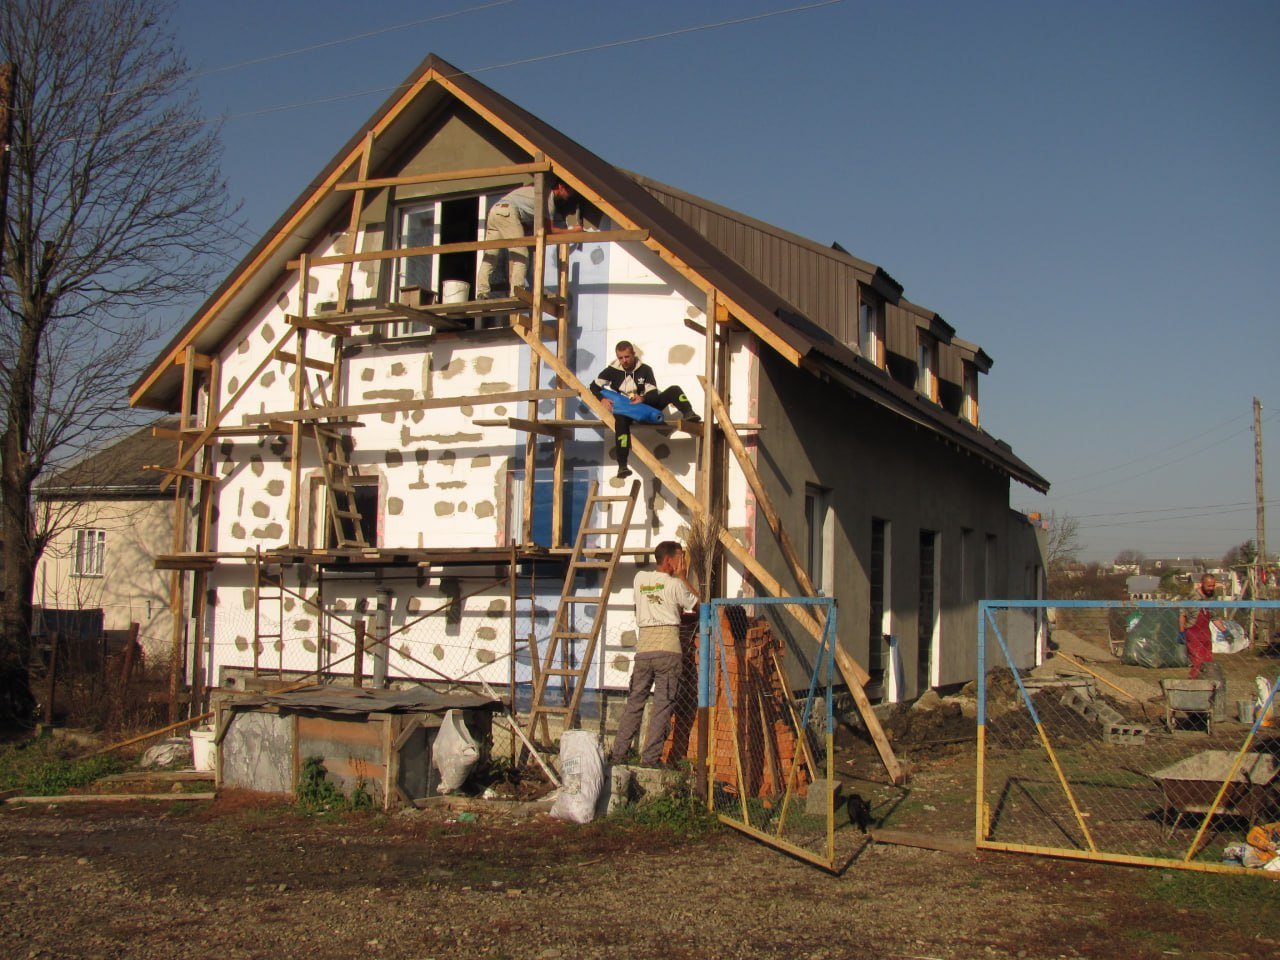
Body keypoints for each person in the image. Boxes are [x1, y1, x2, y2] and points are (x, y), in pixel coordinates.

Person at [609, 541, 700, 767]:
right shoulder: (675, 585)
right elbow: (701, 605)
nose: (683, 563)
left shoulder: (640, 579)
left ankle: (618, 755)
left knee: (635, 703)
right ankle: (649, 760)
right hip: (668, 650)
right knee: (662, 706)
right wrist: (683, 577)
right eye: (680, 559)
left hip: (644, 650)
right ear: (669, 561)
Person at [590, 340, 701, 479]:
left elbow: (653, 394)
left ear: (633, 355)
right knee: (621, 425)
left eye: (627, 357)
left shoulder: (645, 369)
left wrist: (642, 399)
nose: (624, 361)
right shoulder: (612, 370)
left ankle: (689, 413)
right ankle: (622, 465)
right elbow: (593, 386)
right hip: (627, 409)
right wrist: (602, 399)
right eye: (621, 358)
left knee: (674, 390)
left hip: (646, 405)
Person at [474, 179, 577, 299]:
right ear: (560, 187)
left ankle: (482, 291)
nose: (570, 194)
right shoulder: (547, 197)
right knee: (521, 254)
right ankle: (516, 292)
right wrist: (573, 231)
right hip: (508, 212)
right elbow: (549, 230)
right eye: (569, 191)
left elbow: (527, 219)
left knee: (491, 255)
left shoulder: (537, 193)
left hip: (494, 212)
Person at [1180, 573, 1224, 679]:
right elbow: (1182, 615)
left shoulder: (1211, 598)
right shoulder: (1192, 597)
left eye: (1213, 586)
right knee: (1198, 661)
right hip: (1193, 632)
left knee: (1208, 661)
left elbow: (1214, 617)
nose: (1211, 588)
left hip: (1205, 633)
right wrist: (1181, 632)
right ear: (1201, 584)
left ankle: (1206, 683)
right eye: (1209, 586)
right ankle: (1194, 683)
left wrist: (1225, 631)